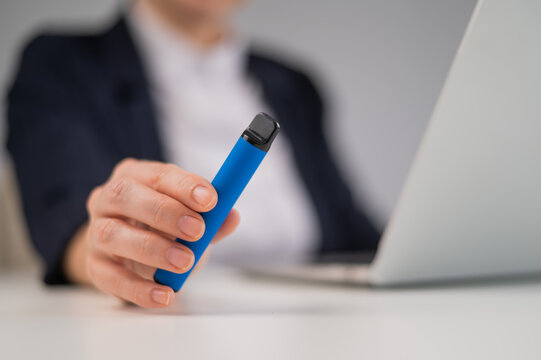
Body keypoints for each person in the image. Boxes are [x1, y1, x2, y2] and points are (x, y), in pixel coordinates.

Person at [6, 0, 380, 308]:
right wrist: (116, 249)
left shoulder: (294, 84)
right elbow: (65, 213)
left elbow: (355, 232)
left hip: (309, 326)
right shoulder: (62, 63)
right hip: (166, 330)